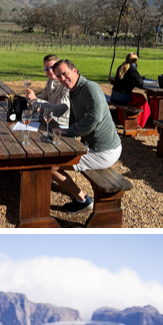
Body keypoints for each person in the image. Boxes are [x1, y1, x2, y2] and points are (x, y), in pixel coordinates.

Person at [49, 59, 123, 213]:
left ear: (75, 71)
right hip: (93, 145)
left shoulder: (90, 87)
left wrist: (69, 132)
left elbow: (94, 118)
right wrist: (68, 138)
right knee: (52, 155)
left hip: (105, 150)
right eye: (58, 76)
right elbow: (74, 118)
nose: (62, 79)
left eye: (65, 73)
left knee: (50, 166)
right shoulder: (73, 91)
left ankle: (82, 199)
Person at [24, 54, 71, 129]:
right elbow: (41, 98)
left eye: (52, 68)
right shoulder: (50, 81)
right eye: (46, 69)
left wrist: (35, 100)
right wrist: (31, 101)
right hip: (48, 121)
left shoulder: (66, 85)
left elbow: (60, 110)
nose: (50, 71)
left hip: (62, 126)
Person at [110, 52, 151, 128]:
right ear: (135, 61)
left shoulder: (121, 66)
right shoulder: (132, 69)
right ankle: (141, 122)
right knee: (142, 98)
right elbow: (140, 82)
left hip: (114, 95)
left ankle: (129, 119)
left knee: (136, 98)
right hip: (122, 97)